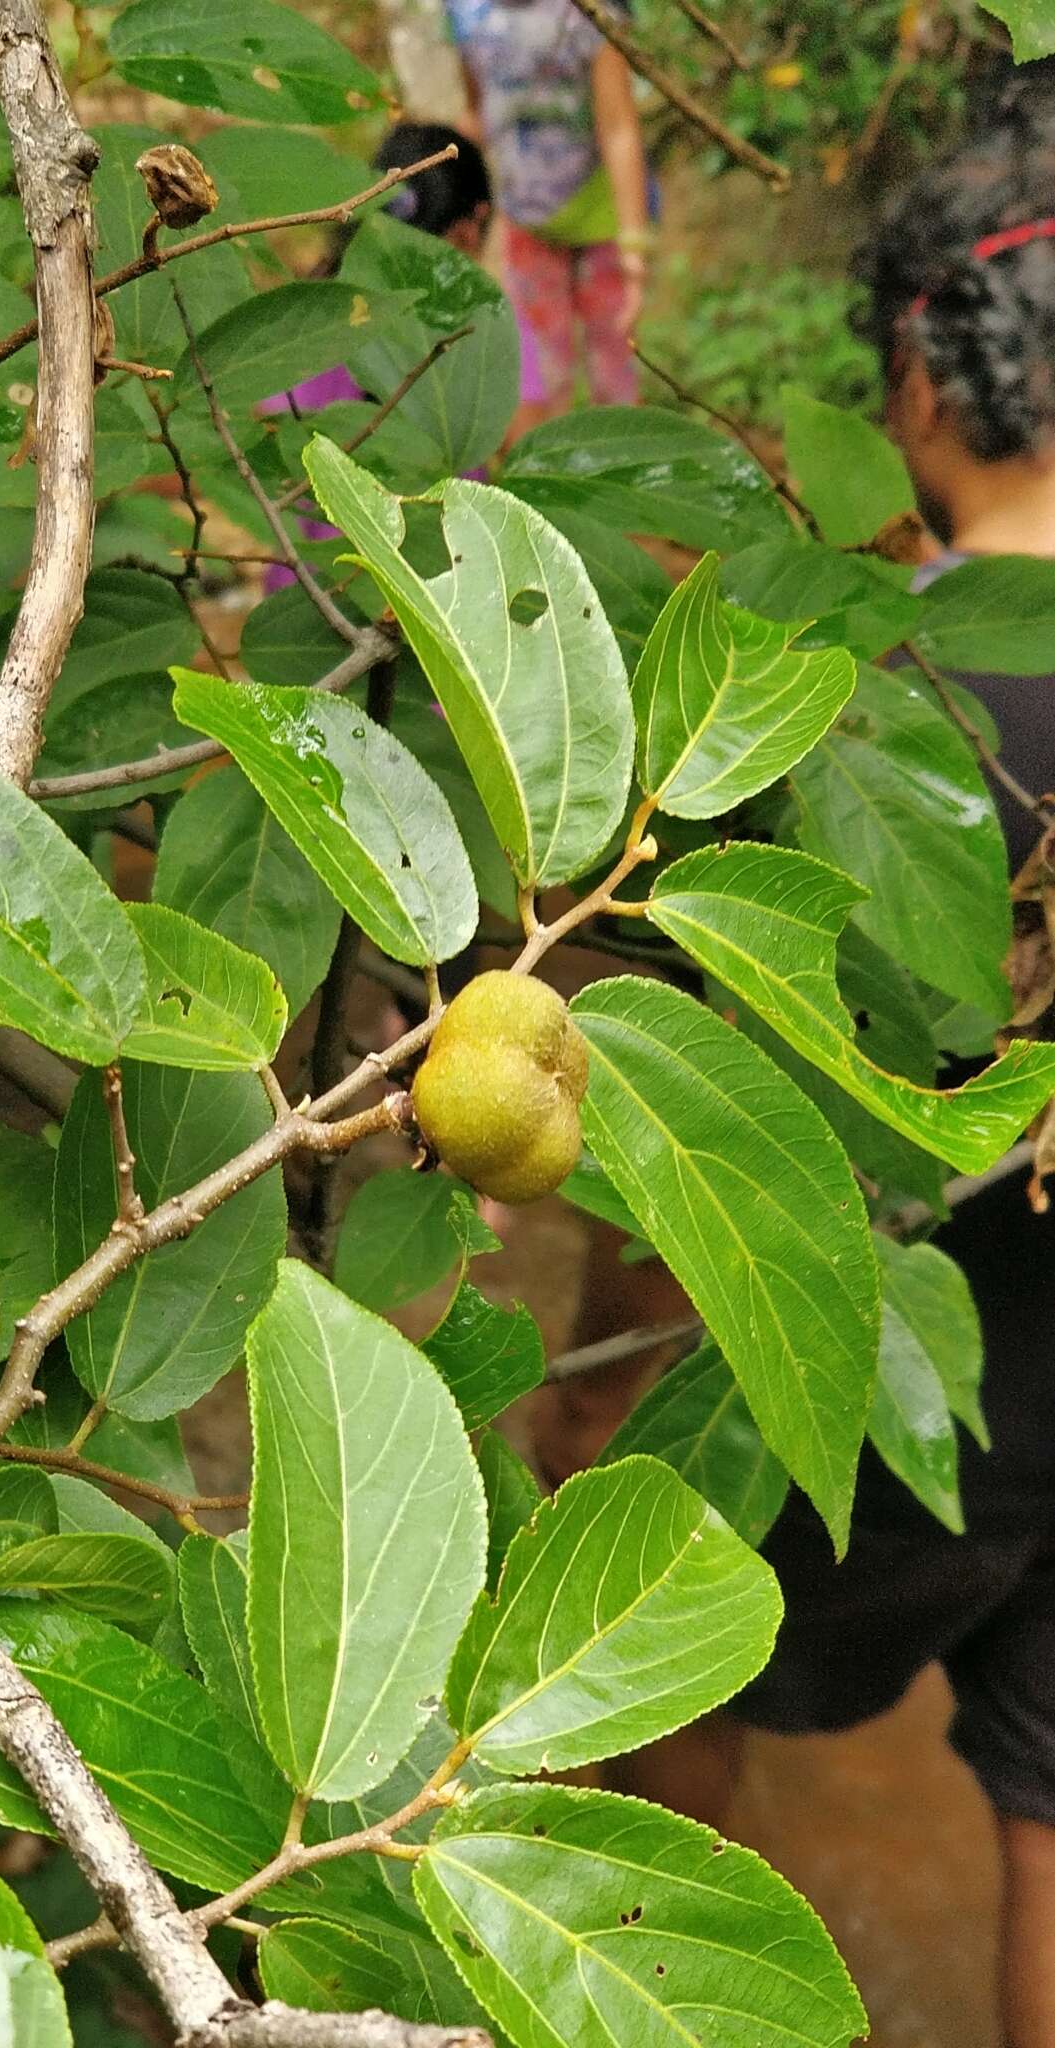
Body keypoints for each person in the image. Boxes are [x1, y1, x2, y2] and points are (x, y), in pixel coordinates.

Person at [534, 61, 1055, 2048]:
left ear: (922, 378)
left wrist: (599, 1396)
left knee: (672, 1702)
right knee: (1043, 1826)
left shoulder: (838, 701)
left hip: (853, 1402)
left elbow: (678, 1102)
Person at [261, 119, 545, 593]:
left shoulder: (310, 314)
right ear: (472, 226)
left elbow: (263, 441)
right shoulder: (489, 322)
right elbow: (526, 451)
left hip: (313, 593)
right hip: (442, 591)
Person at [444, 0, 650, 430]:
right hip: (526, 223)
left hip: (601, 221)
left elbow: (619, 126)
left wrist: (634, 245)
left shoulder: (589, 16)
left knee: (613, 371)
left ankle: (623, 474)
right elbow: (477, 110)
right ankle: (552, 484)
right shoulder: (468, 15)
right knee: (542, 374)